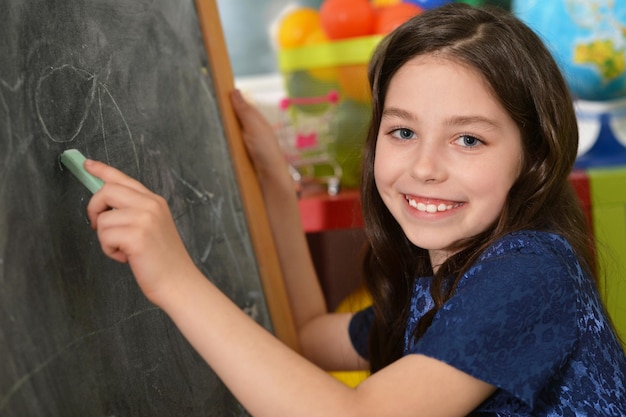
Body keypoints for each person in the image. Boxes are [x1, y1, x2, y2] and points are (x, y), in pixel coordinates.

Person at [84, 3, 626, 416]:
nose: (425, 167)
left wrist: (175, 280)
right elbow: (306, 335)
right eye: (403, 131)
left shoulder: (531, 271)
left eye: (468, 140)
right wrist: (276, 187)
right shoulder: (438, 283)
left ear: (533, 157)